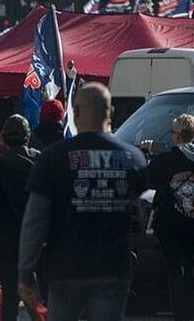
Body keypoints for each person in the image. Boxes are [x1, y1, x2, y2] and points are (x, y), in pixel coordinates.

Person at [18, 83, 147, 321]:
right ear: (111, 112)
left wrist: (26, 270)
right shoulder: (134, 159)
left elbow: (35, 220)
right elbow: (139, 212)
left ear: (75, 112)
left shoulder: (52, 159)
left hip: (66, 268)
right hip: (113, 268)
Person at [143, 113, 194, 321]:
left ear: (177, 135)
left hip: (170, 226)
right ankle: (192, 313)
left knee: (175, 272)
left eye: (173, 132)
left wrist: (149, 153)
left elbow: (147, 179)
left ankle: (181, 314)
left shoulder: (167, 159)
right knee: (189, 271)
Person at [0, 115, 39, 321]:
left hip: (6, 239)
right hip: (38, 237)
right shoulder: (41, 160)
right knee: (38, 292)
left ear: (3, 138)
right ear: (27, 137)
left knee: (10, 294)